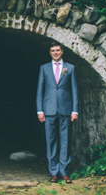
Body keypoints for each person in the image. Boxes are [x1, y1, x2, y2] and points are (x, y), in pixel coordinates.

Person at [36, 41, 79, 183]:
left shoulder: (70, 68)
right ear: (50, 52)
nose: (55, 52)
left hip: (65, 110)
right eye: (53, 50)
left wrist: (75, 110)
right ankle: (53, 172)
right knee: (51, 141)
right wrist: (40, 110)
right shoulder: (44, 68)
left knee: (65, 141)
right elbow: (40, 91)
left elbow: (74, 90)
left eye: (58, 50)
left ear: (62, 52)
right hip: (48, 110)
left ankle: (64, 171)